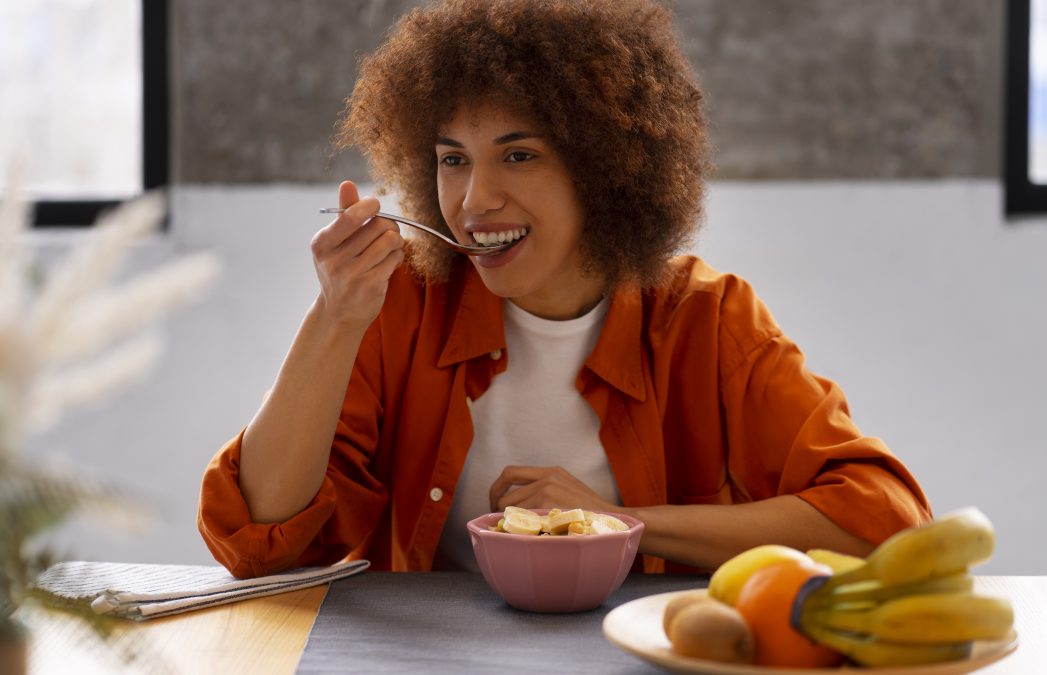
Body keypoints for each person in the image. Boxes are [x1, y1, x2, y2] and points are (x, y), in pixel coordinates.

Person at [198, 0, 930, 578]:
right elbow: (255, 542)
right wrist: (335, 318)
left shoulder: (707, 319)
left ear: (606, 167)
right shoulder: (400, 308)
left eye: (519, 154)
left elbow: (889, 526)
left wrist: (620, 517)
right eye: (453, 159)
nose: (474, 198)